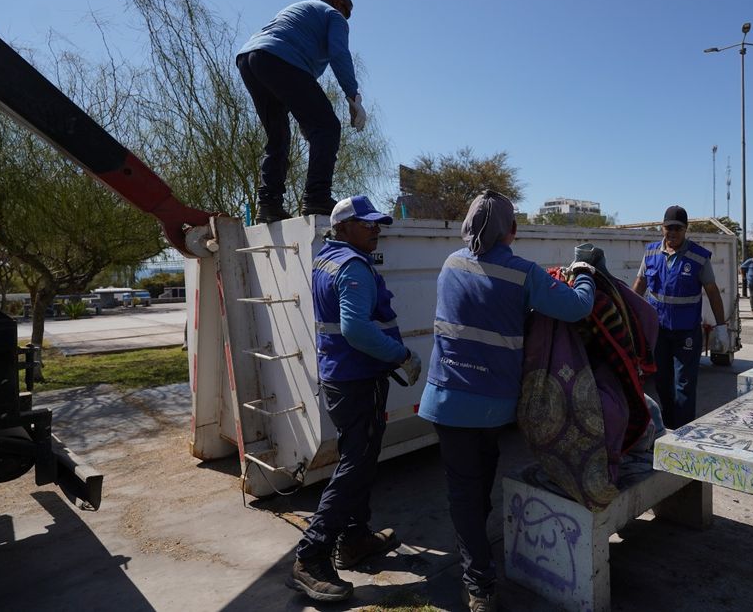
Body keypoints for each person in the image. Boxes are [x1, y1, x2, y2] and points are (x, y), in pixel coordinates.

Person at [420, 190, 597, 611]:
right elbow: (577, 307)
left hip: (446, 401)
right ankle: (479, 581)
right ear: (512, 231)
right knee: (475, 487)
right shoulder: (524, 274)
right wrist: (585, 270)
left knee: (469, 490)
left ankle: (474, 555)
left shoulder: (450, 265)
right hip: (493, 407)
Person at [288, 195, 422, 602]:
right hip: (358, 378)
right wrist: (402, 355)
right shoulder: (354, 268)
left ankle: (355, 537)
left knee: (358, 460)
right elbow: (357, 330)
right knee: (354, 465)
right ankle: (311, 555)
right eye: (367, 224)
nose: (376, 229)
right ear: (343, 227)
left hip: (340, 377)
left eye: (377, 223)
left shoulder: (325, 258)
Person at [237, 0, 368, 224]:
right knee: (327, 127)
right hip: (280, 58)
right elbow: (339, 53)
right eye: (348, 11)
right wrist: (353, 96)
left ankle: (269, 204)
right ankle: (317, 197)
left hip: (250, 58)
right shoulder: (333, 15)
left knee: (278, 137)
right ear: (338, 2)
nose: (347, 17)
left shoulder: (299, 9)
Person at [632, 205, 728, 429]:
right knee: (662, 383)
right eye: (668, 227)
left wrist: (721, 326)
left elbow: (712, 292)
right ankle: (667, 428)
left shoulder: (698, 257)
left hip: (686, 332)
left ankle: (683, 432)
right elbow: (639, 285)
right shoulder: (651, 253)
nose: (673, 232)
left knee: (683, 384)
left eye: (678, 228)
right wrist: (627, 312)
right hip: (659, 331)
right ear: (662, 228)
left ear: (685, 230)